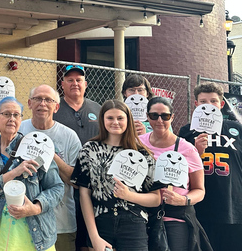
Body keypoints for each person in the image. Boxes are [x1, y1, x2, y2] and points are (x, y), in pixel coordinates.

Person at [0, 97, 64, 251]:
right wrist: (14, 172)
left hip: (35, 238)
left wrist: (35, 208)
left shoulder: (38, 147)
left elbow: (57, 188)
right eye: (7, 114)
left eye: (17, 115)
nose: (12, 119)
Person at [70, 99, 160, 251]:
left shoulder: (142, 154)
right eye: (110, 118)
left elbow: (156, 198)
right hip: (101, 222)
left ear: (128, 120)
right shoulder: (89, 150)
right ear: (102, 120)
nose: (115, 122)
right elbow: (84, 194)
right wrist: (94, 236)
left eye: (120, 118)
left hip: (134, 223)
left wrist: (129, 196)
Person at [139, 97, 211, 251]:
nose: (159, 120)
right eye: (154, 116)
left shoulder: (187, 148)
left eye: (164, 116)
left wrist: (183, 200)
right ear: (147, 116)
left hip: (175, 217)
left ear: (172, 117)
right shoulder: (137, 143)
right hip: (143, 215)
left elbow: (200, 190)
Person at [179, 82, 242, 251]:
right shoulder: (186, 131)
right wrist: (196, 151)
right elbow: (179, 168)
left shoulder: (236, 128)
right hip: (201, 207)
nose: (209, 106)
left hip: (232, 205)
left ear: (221, 104)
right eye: (203, 102)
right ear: (196, 104)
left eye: (213, 101)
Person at [19, 84, 82, 251]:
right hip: (23, 220)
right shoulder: (18, 130)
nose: (43, 103)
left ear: (57, 106)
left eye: (48, 100)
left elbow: (76, 181)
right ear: (29, 103)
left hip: (61, 223)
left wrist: (49, 154)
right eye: (38, 99)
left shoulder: (69, 137)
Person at [53, 65, 101, 251]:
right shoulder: (56, 109)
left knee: (91, 235)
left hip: (94, 181)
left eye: (79, 80)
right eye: (70, 80)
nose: (75, 83)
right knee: (75, 231)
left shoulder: (97, 108)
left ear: (85, 84)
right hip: (66, 181)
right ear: (62, 84)